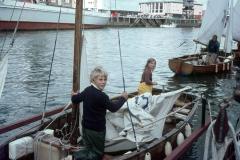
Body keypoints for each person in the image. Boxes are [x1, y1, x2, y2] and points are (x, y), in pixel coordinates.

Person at [71, 66, 128, 160]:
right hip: (97, 131)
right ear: (93, 80)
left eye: (105, 79)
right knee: (97, 153)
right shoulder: (102, 96)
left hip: (85, 128)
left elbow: (75, 99)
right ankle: (74, 157)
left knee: (88, 149)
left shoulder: (87, 90)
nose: (103, 82)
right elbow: (113, 108)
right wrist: (123, 98)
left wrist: (73, 95)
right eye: (100, 79)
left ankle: (76, 157)